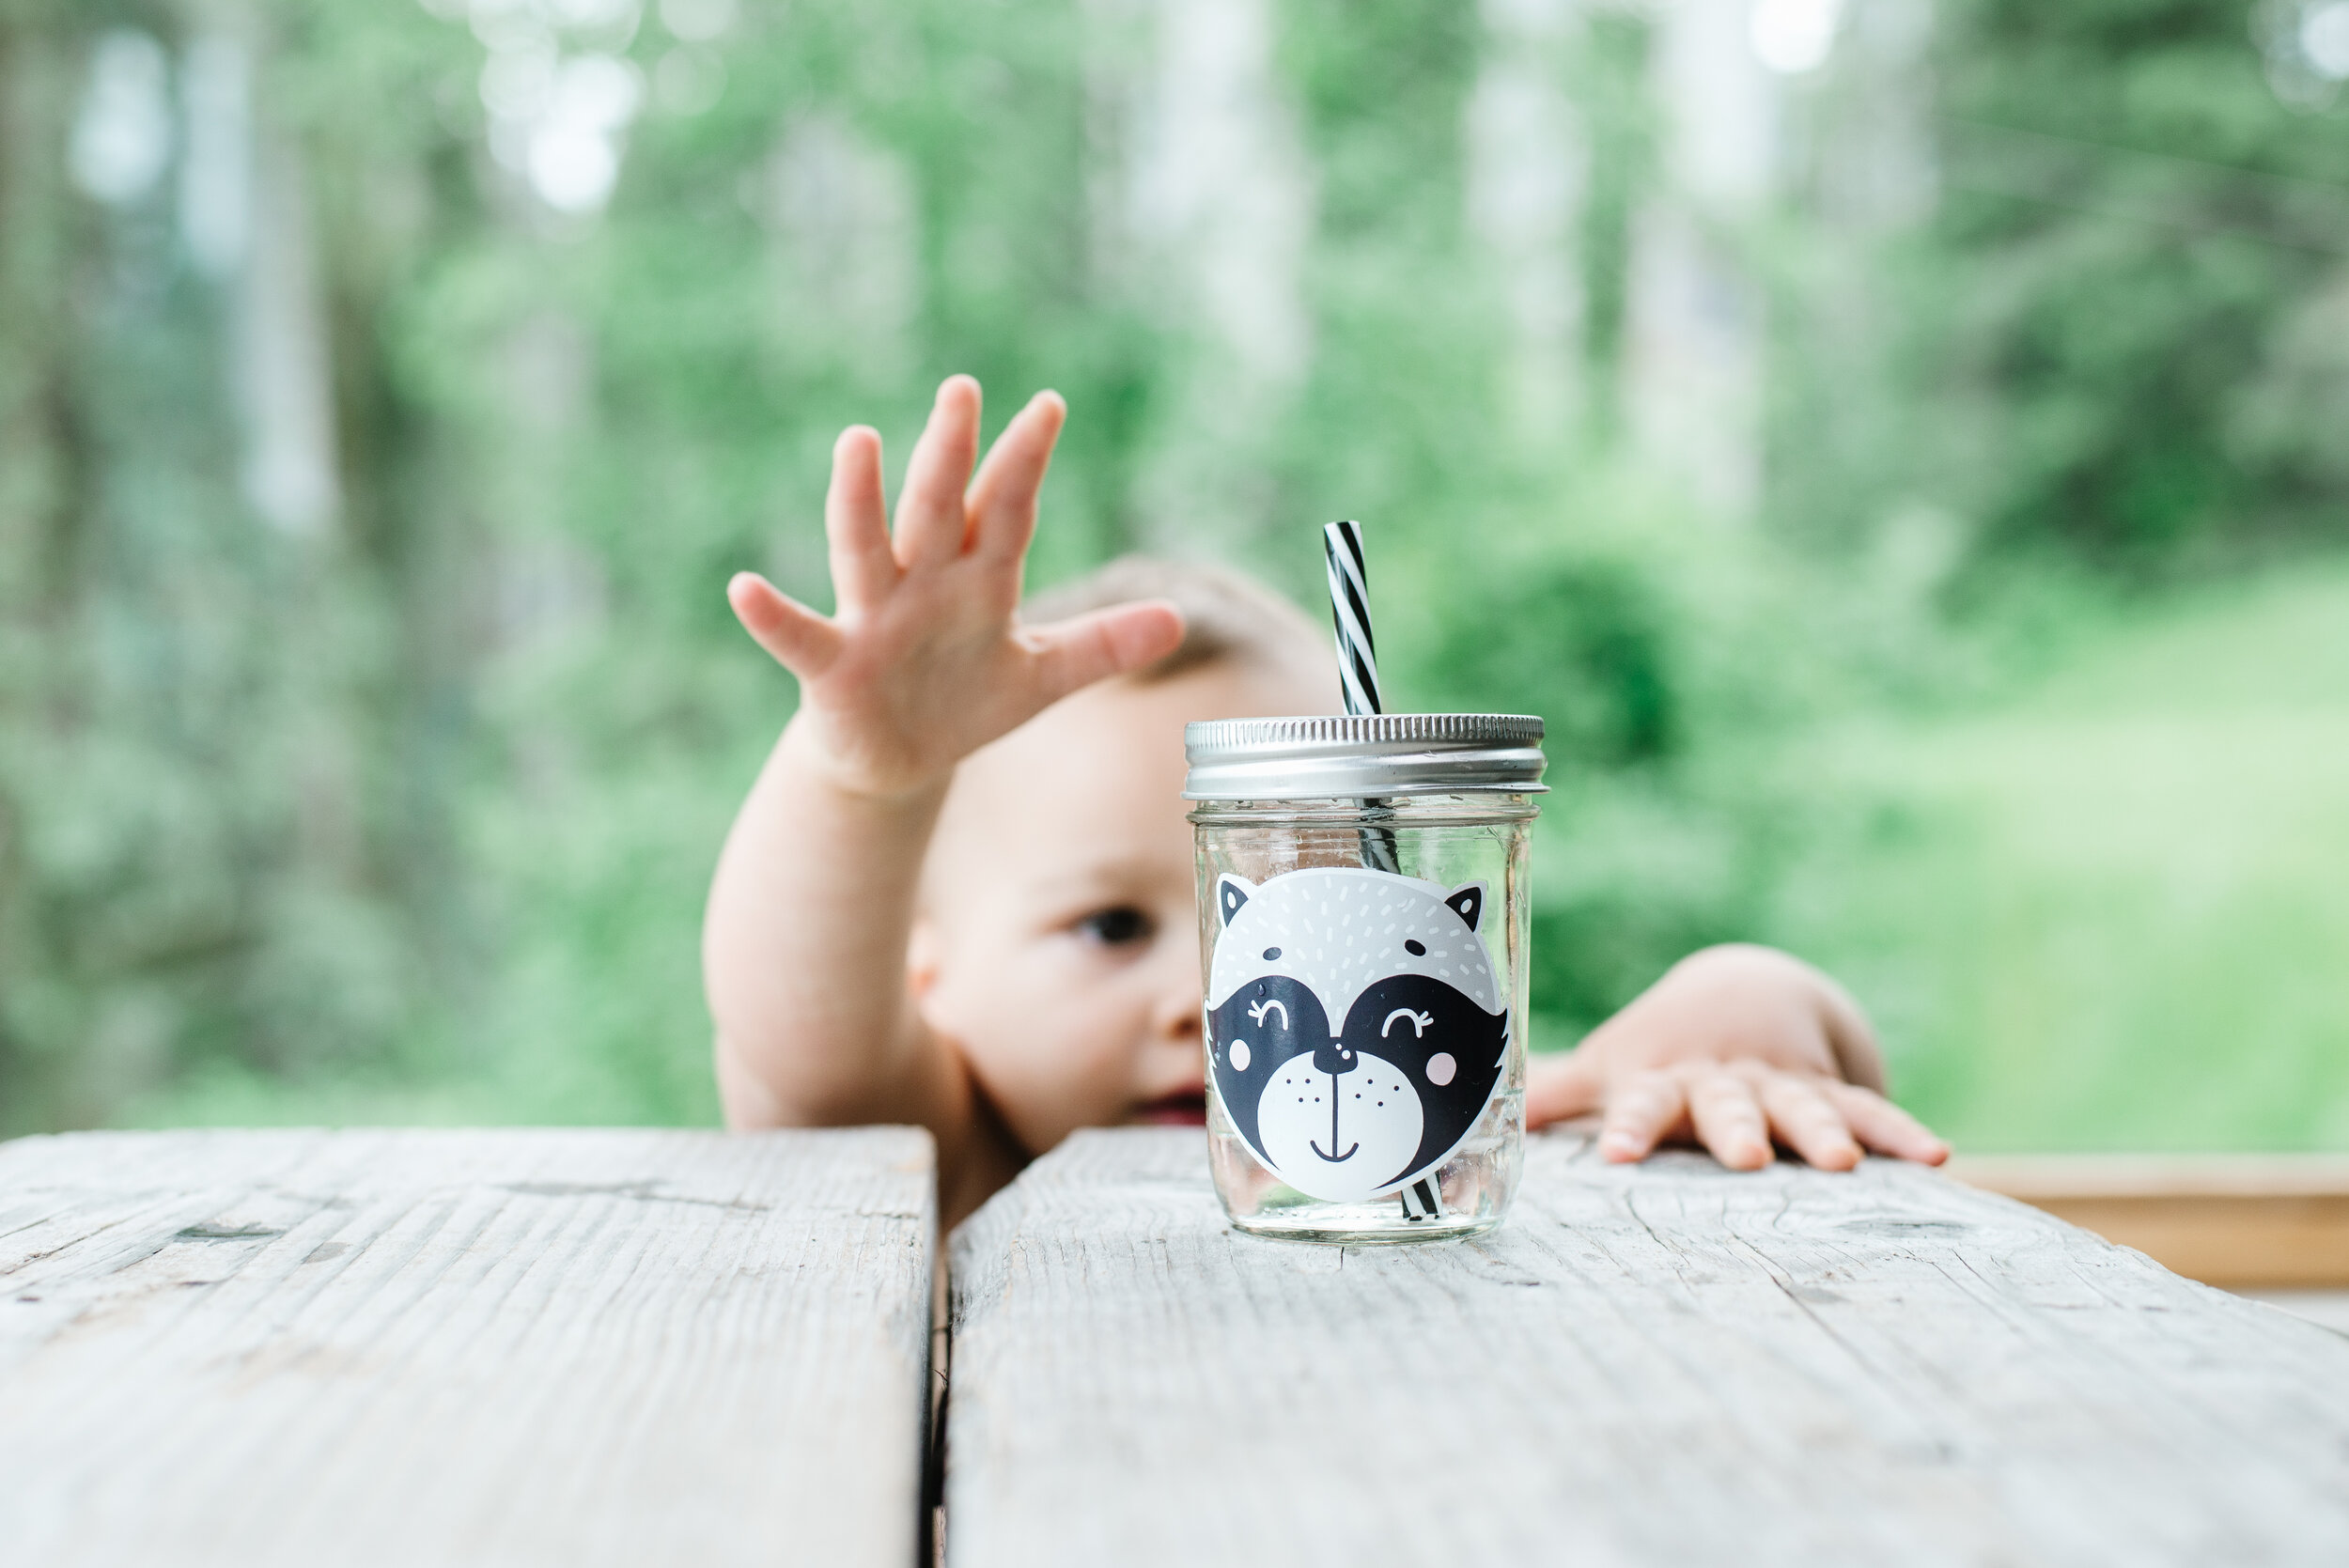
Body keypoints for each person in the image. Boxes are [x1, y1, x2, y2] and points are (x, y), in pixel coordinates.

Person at [704, 375, 1949, 1227]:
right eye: (1111, 926)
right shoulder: (955, 1164)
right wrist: (863, 782)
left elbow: (1704, 1049)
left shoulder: (1443, 1125)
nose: (1220, 987)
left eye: (1302, 912)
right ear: (930, 975)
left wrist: (1744, 1011)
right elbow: (800, 1046)